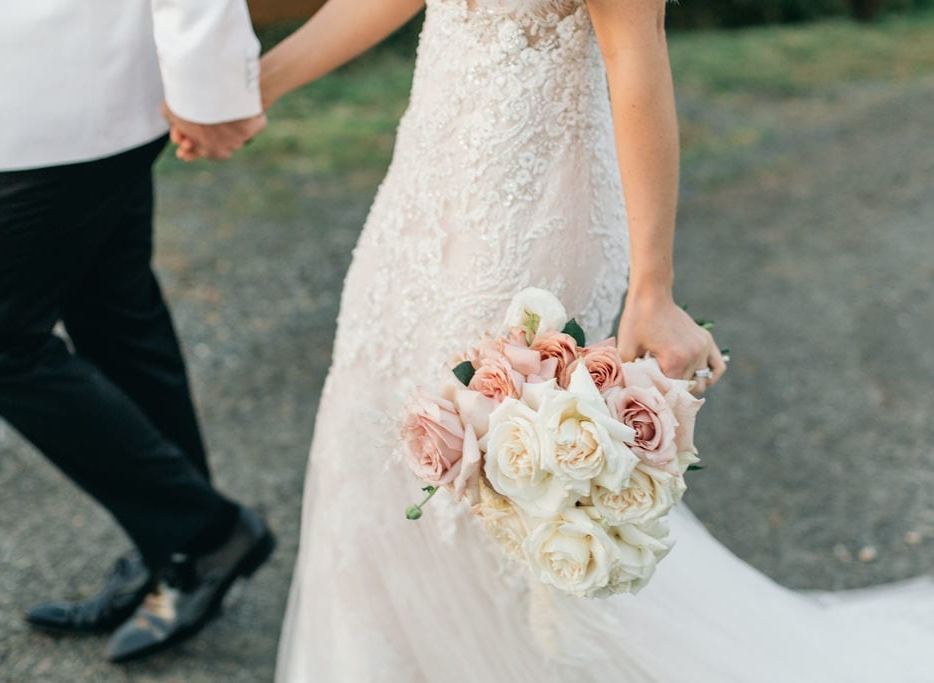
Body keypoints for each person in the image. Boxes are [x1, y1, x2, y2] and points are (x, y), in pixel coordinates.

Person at [175, 0, 934, 679]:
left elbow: (636, 55)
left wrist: (654, 289)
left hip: (533, 216)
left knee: (503, 482)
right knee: (371, 428)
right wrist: (258, 85)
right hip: (422, 199)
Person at [0, 0, 274, 663]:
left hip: (63, 78)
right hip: (50, 73)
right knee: (112, 307)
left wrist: (210, 88)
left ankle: (206, 532)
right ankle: (178, 550)